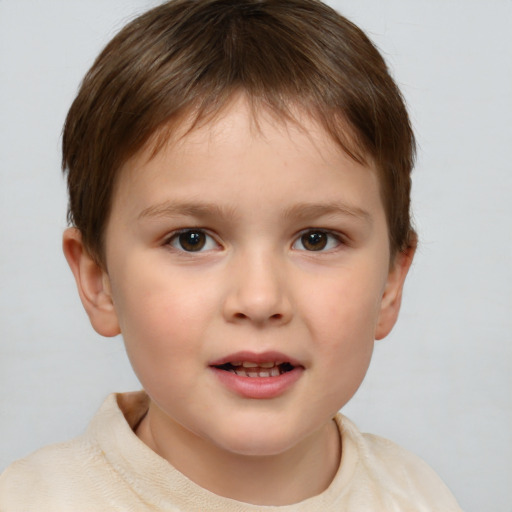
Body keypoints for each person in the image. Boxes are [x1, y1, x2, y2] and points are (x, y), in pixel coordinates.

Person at [0, 0, 462, 509]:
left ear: (391, 283)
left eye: (316, 239)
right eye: (191, 239)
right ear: (98, 280)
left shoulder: (419, 496)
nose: (260, 299)